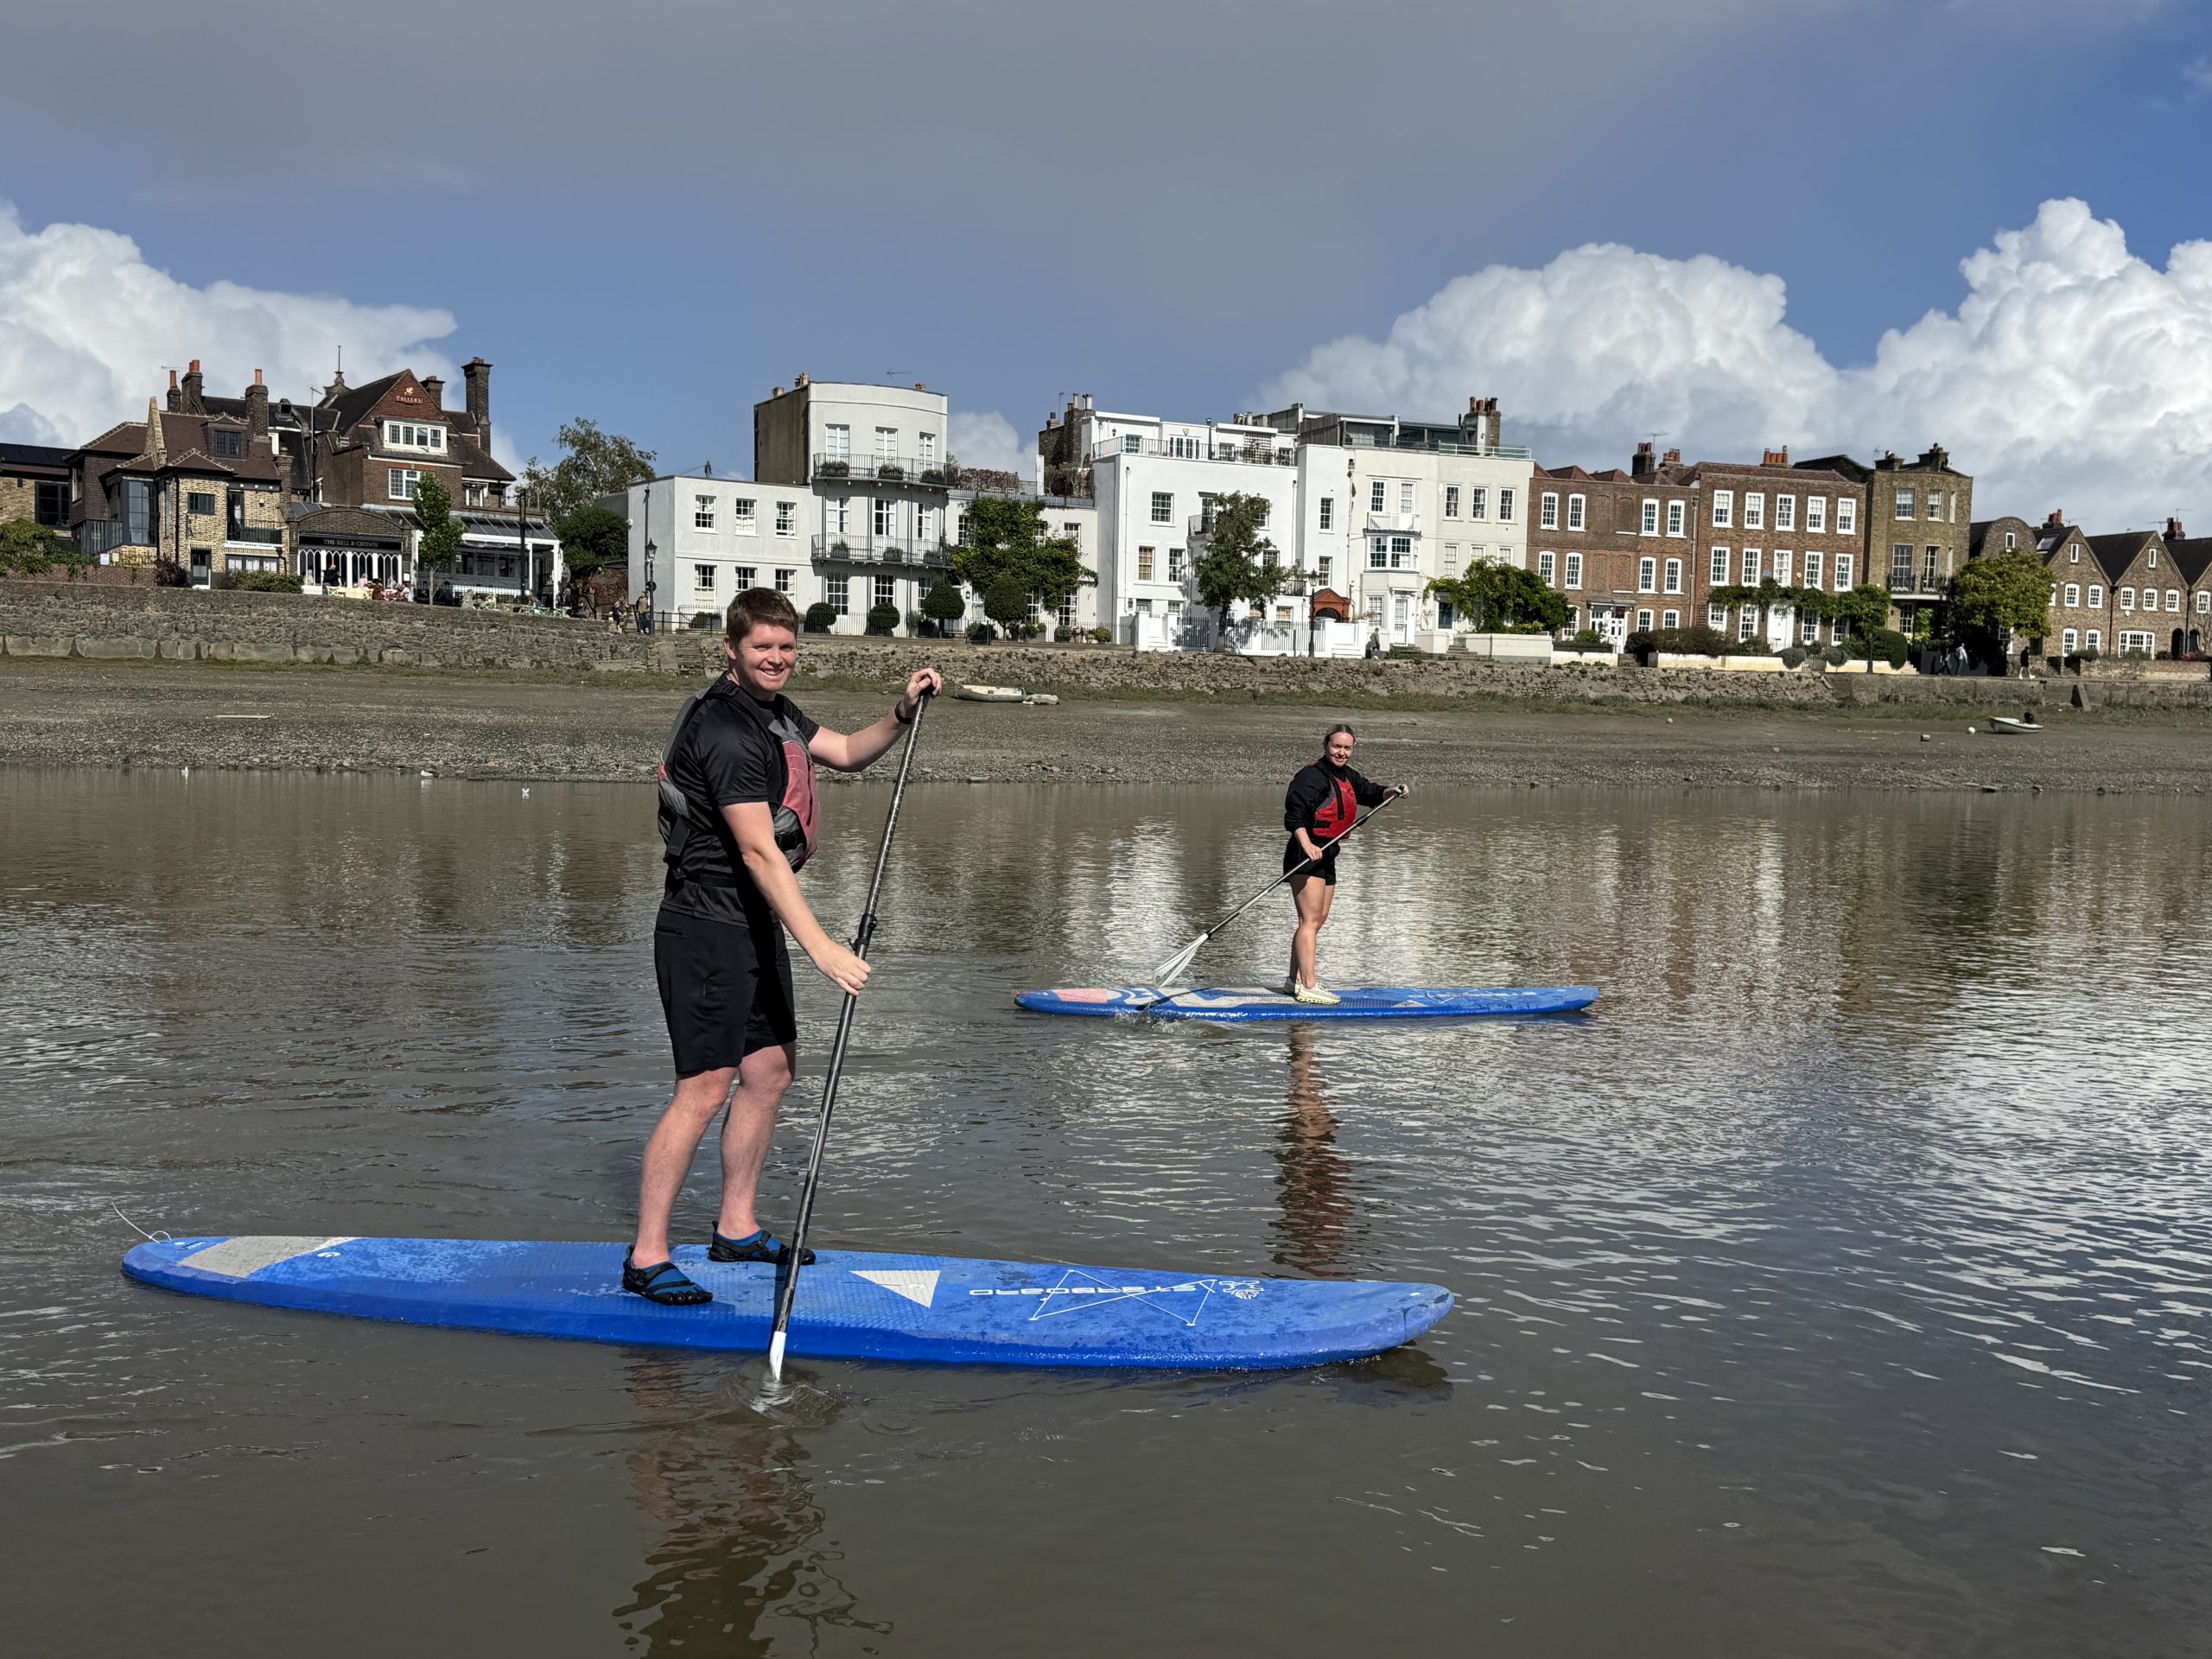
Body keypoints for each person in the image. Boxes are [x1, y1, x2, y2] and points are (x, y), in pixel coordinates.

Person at [624, 587, 941, 1306]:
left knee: (768, 1075)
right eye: (762, 647)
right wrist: (825, 948)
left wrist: (901, 710)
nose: (776, 659)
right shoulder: (726, 732)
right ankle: (646, 1255)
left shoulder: (774, 714)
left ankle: (736, 1228)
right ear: (731, 650)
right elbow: (761, 853)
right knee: (702, 1091)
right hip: (704, 926)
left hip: (752, 925)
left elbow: (848, 754)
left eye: (787, 648)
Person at [1281, 723, 1404, 1006]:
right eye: (1337, 746)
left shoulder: (1346, 776)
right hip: (1306, 853)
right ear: (1326, 745)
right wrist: (1307, 844)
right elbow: (1294, 815)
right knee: (1309, 921)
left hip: (1328, 853)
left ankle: (1294, 980)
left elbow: (1371, 793)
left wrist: (1391, 791)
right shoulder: (1312, 776)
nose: (1342, 752)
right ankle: (1309, 985)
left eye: (1347, 748)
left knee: (1316, 921)